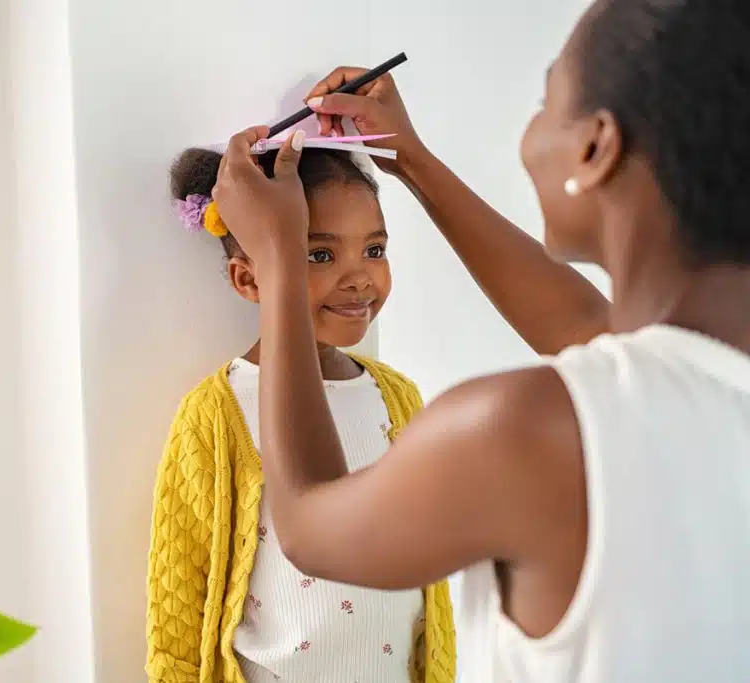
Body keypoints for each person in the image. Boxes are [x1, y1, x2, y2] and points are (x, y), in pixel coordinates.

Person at [210, 0, 750, 681]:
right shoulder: (712, 384)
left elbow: (310, 528)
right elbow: (589, 327)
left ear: (595, 145)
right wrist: (411, 160)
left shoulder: (527, 431)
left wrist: (284, 259)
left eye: (545, 100)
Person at [145, 146, 456, 683]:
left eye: (374, 249)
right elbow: (178, 606)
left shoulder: (398, 399)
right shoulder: (216, 416)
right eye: (319, 255)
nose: (360, 278)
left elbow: (427, 583)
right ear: (249, 280)